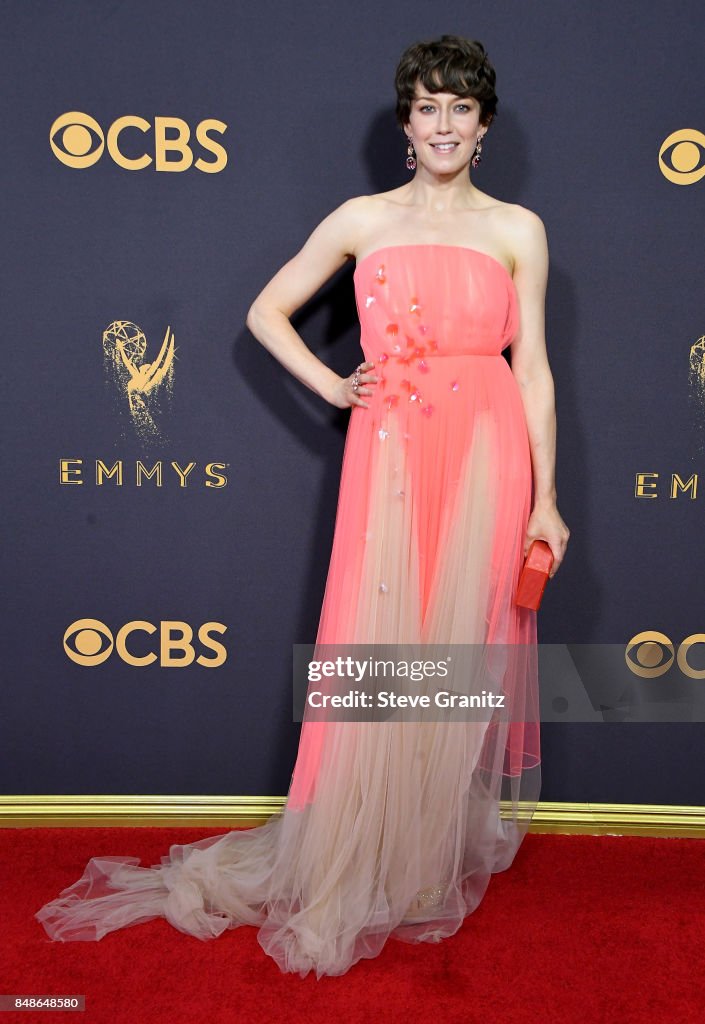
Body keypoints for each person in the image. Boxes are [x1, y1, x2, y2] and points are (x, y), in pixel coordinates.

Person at [35, 34, 570, 979]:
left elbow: (531, 370)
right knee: (382, 641)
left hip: (488, 452)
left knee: (458, 648)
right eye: (425, 107)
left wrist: (548, 497)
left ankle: (416, 856)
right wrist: (332, 387)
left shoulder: (516, 228)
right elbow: (265, 311)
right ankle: (359, 849)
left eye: (459, 108)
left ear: (483, 127)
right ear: (405, 124)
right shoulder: (360, 217)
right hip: (394, 444)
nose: (441, 124)